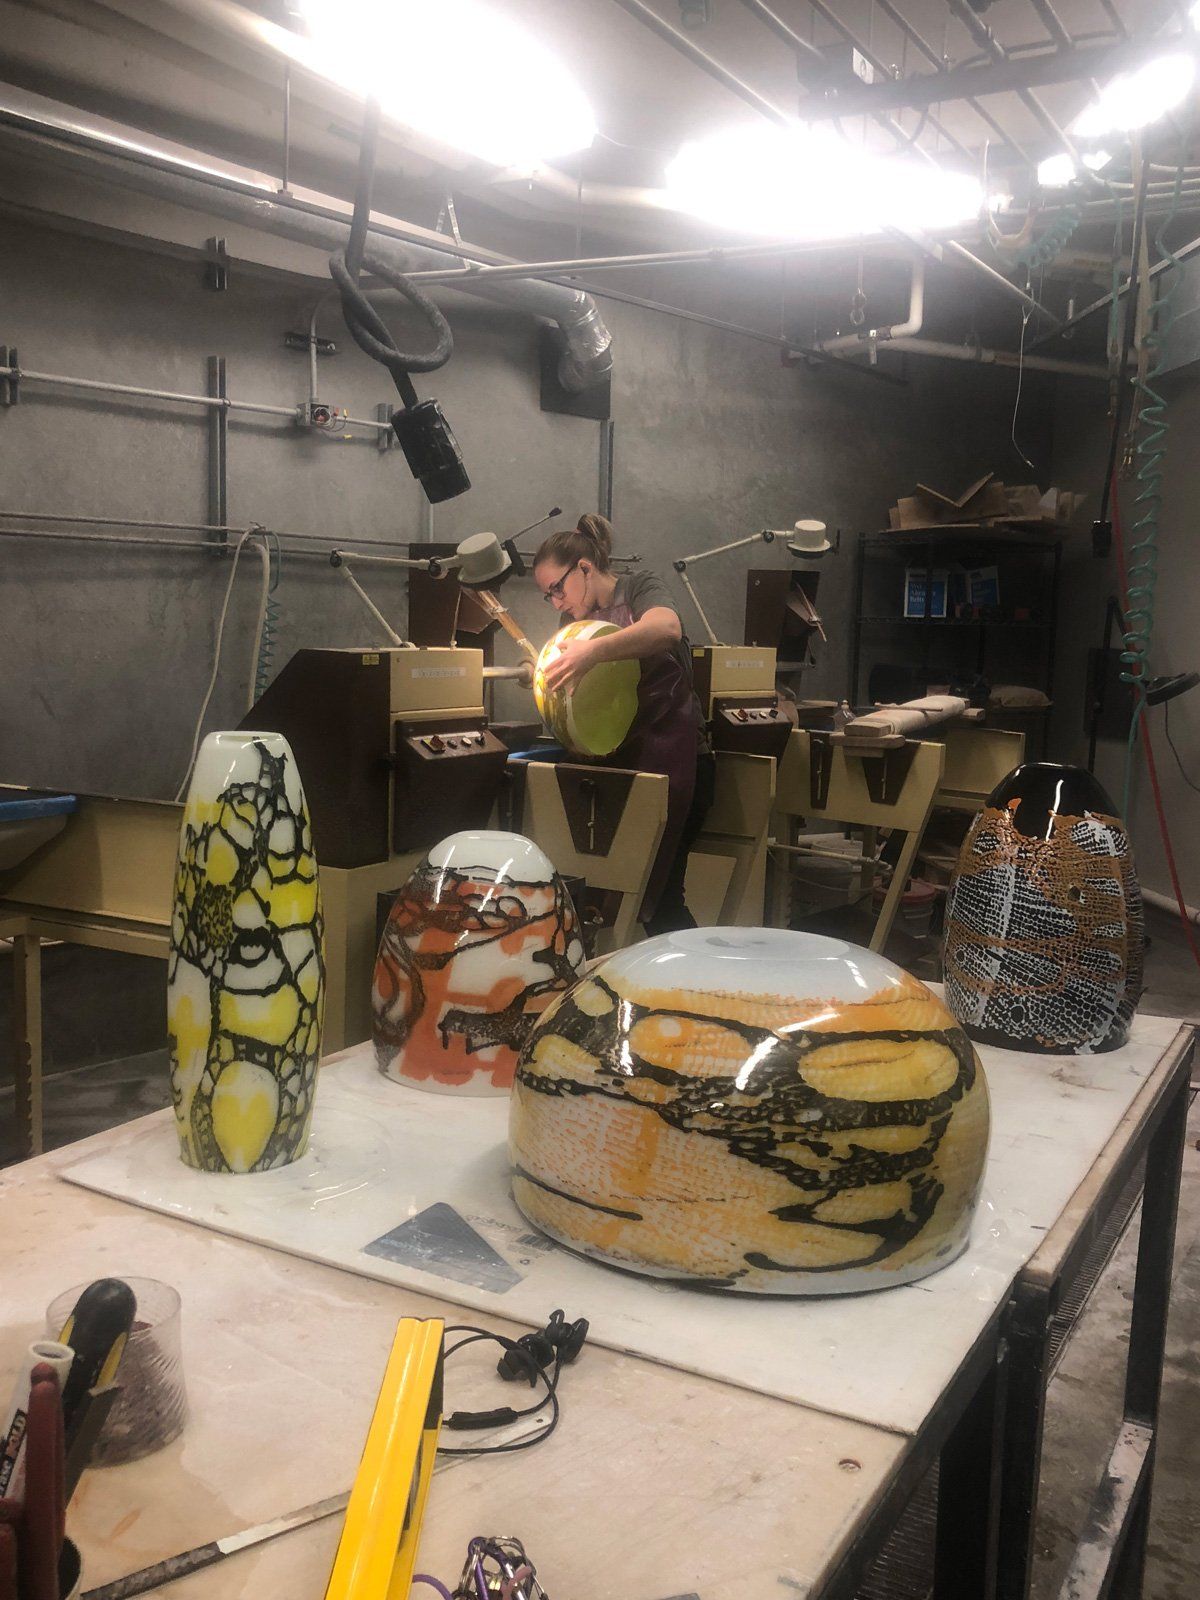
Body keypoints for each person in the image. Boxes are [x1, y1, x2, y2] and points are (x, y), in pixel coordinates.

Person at [533, 513, 715, 937]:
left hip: (679, 764)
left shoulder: (638, 587)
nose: (557, 603)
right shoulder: (571, 625)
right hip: (618, 769)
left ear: (584, 568)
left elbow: (665, 628)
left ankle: (694, 992)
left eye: (557, 588)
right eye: (548, 597)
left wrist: (591, 654)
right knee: (603, 901)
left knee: (663, 903)